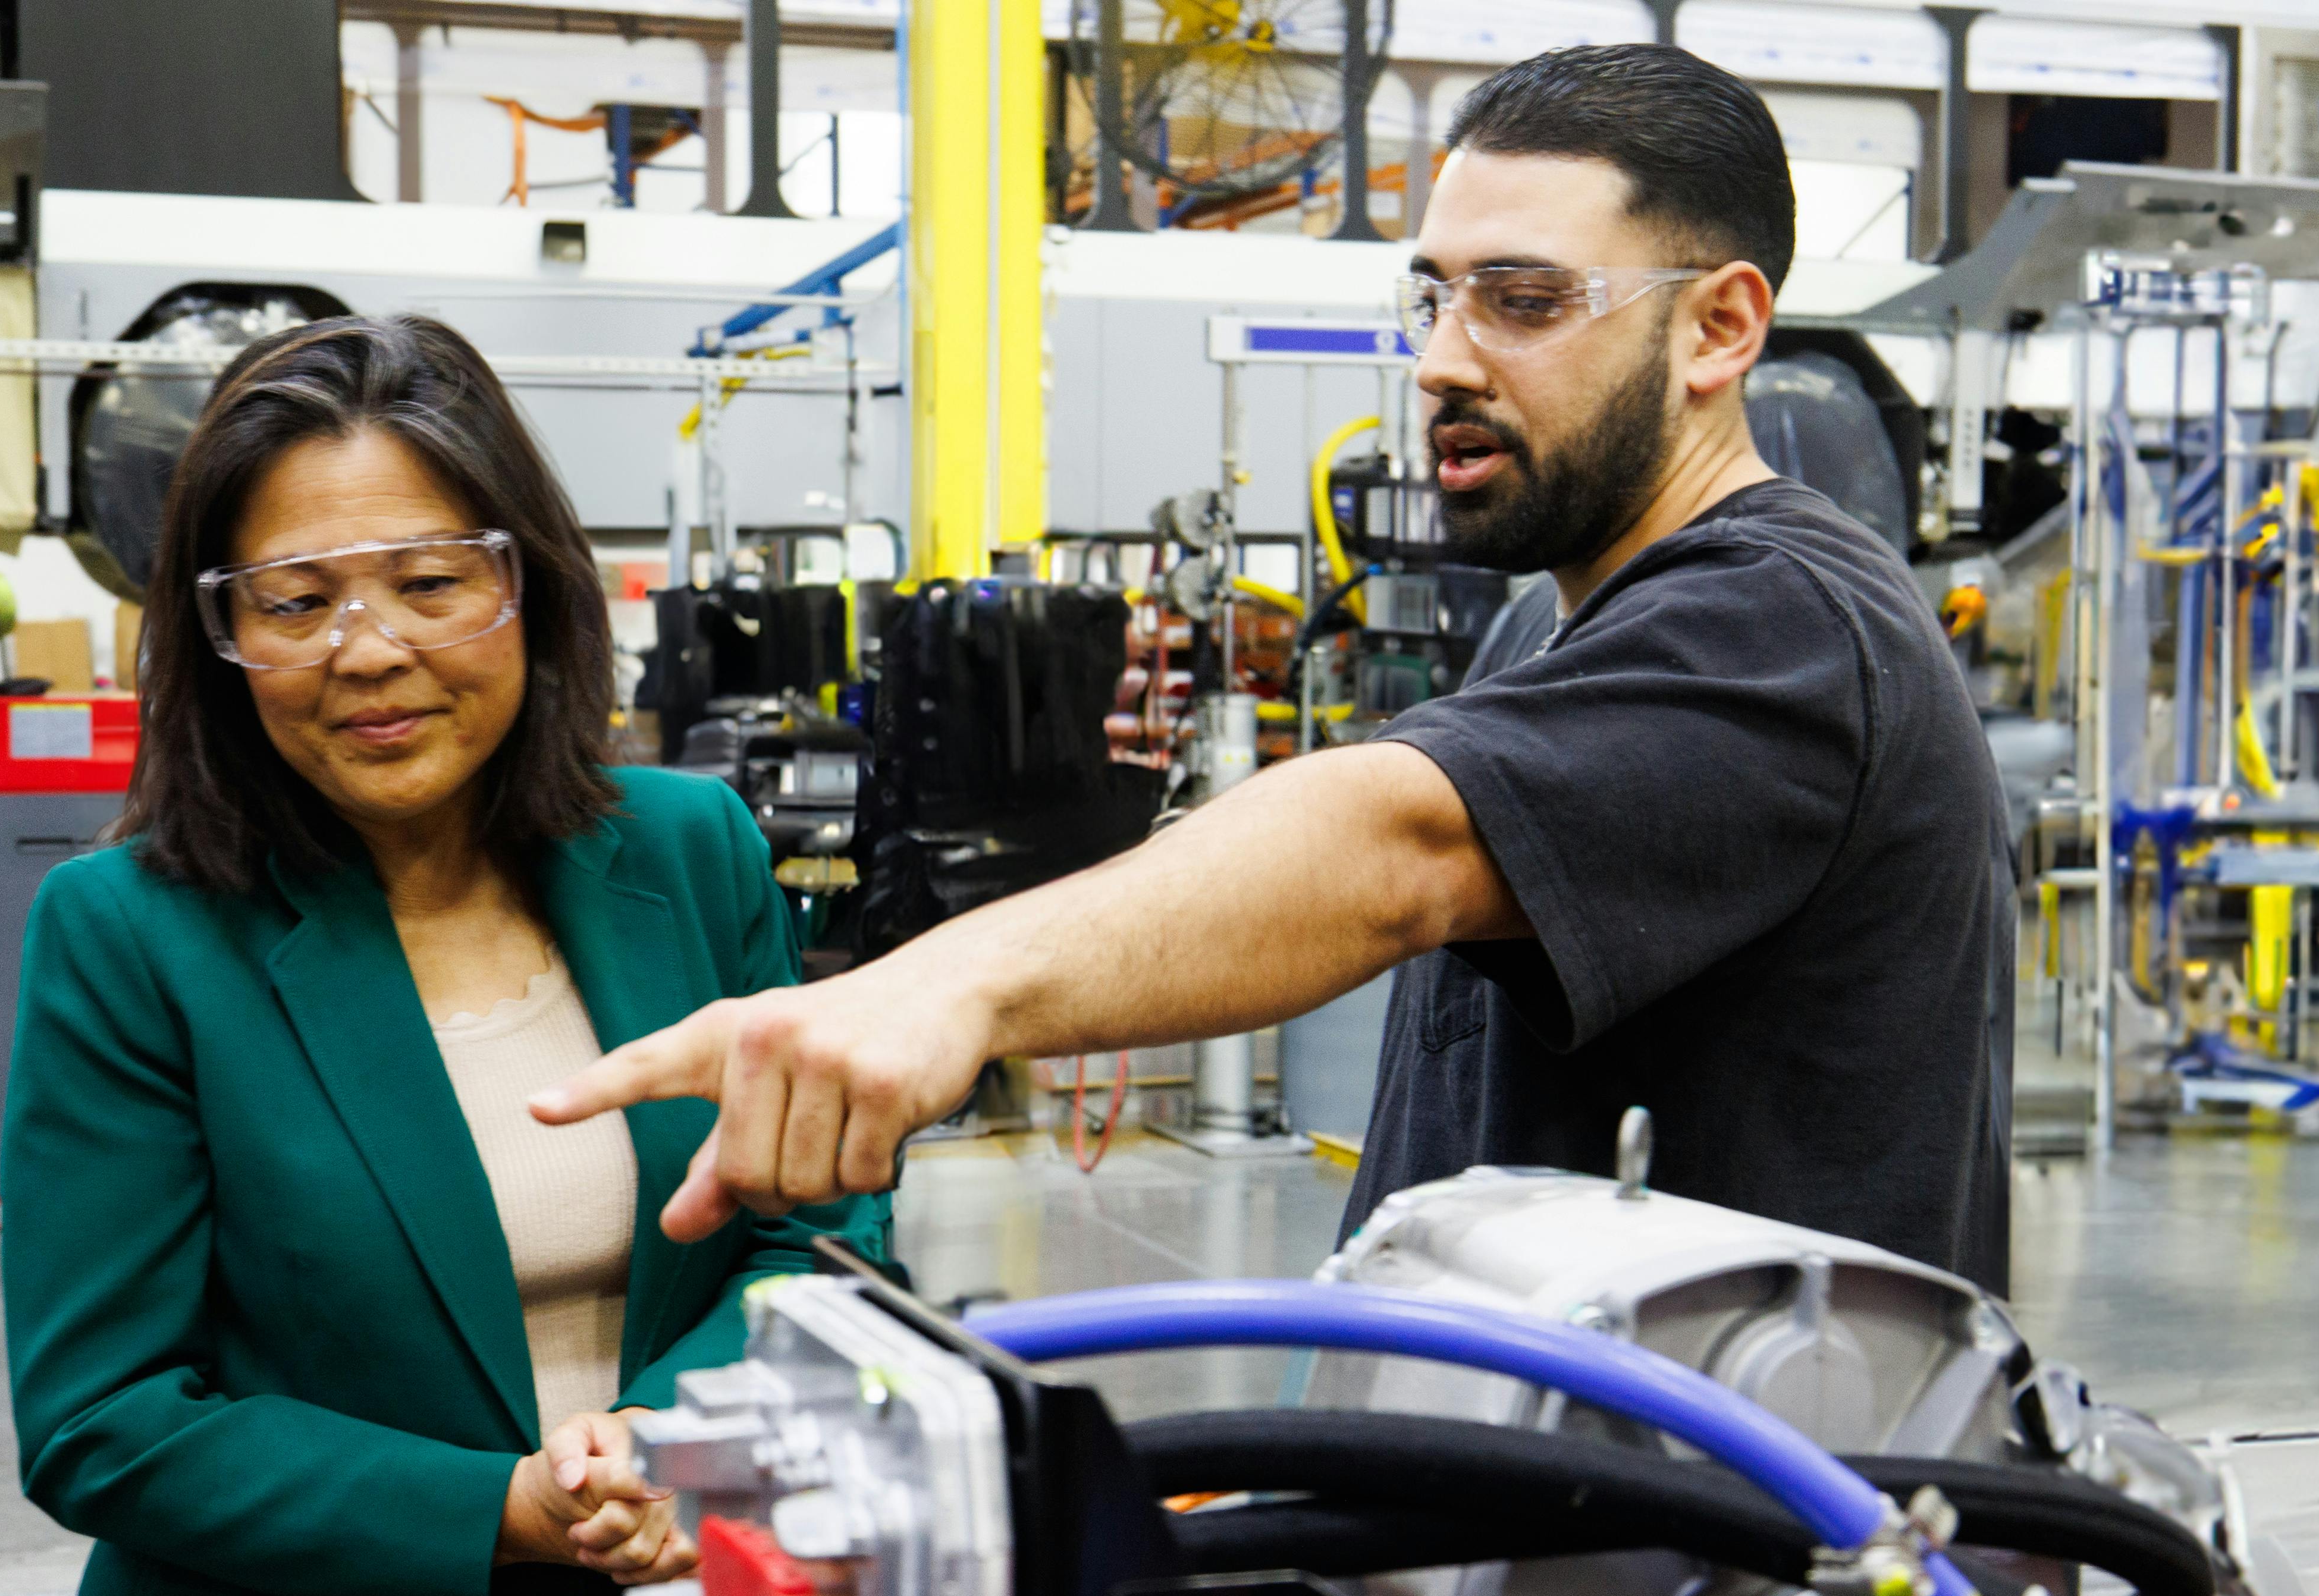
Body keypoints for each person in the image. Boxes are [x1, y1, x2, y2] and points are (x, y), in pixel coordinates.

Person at [535, 45, 2016, 1290]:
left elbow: (1397, 843)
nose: (1440, 356)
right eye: (1430, 294)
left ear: (1719, 328)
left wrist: (946, 987)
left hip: (1761, 1574)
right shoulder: (1541, 621)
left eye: (1523, 298)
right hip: (1537, 1530)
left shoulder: (1791, 619)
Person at [0, 316, 892, 1596]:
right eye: (297, 602)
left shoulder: (688, 848)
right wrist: (508, 1507)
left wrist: (671, 1428)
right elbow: (102, 1416)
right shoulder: (133, 932)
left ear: (528, 586)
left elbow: (812, 1226)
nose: (372, 650)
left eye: (430, 582)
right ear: (217, 630)